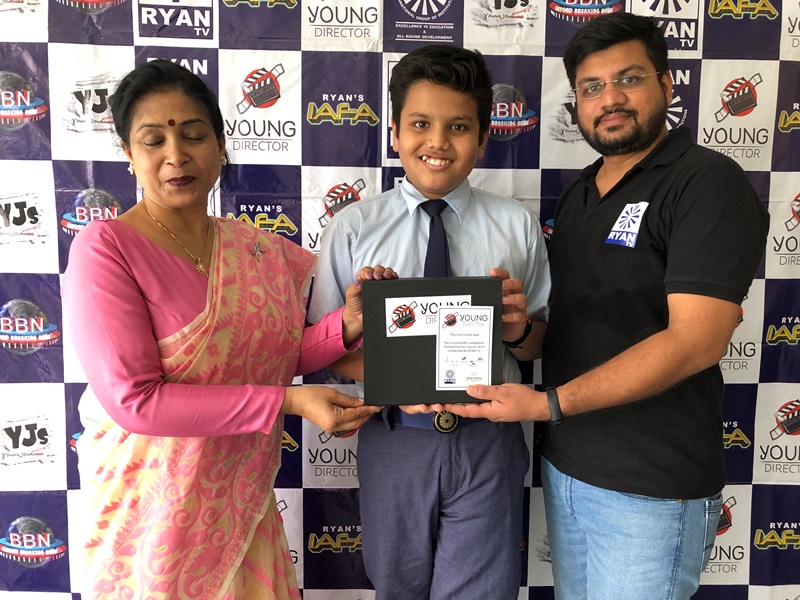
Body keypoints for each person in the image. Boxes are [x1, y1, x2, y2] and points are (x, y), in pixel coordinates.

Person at [436, 12, 769, 600]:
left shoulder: (705, 182)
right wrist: (517, 331)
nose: (609, 99)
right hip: (568, 469)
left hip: (651, 488)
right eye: (591, 87)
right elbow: (565, 333)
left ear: (666, 84)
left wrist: (548, 404)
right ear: (577, 103)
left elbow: (697, 340)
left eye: (628, 79)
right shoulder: (580, 194)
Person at [62, 59, 384, 599]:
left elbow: (277, 352)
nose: (176, 155)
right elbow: (136, 401)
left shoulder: (253, 248)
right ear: (128, 154)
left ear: (220, 143)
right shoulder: (107, 248)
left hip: (237, 506)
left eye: (193, 135)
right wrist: (288, 403)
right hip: (149, 516)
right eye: (153, 140)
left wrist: (346, 325)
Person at [308, 45, 551, 599]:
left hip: (488, 438)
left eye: (458, 127)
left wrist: (514, 328)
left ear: (483, 139)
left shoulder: (516, 225)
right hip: (395, 438)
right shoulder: (353, 228)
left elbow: (538, 343)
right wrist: (382, 359)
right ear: (394, 133)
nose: (438, 142)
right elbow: (323, 348)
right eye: (420, 124)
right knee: (397, 585)